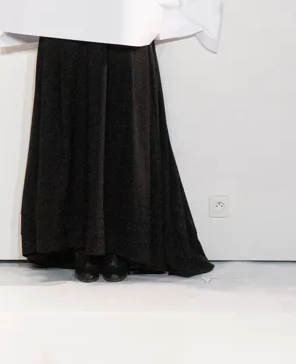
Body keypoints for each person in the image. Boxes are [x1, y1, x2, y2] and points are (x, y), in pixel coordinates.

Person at [20, 34, 214, 283]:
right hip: (67, 25)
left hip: (125, 25)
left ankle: (121, 244)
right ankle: (81, 243)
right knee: (74, 118)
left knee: (125, 119)